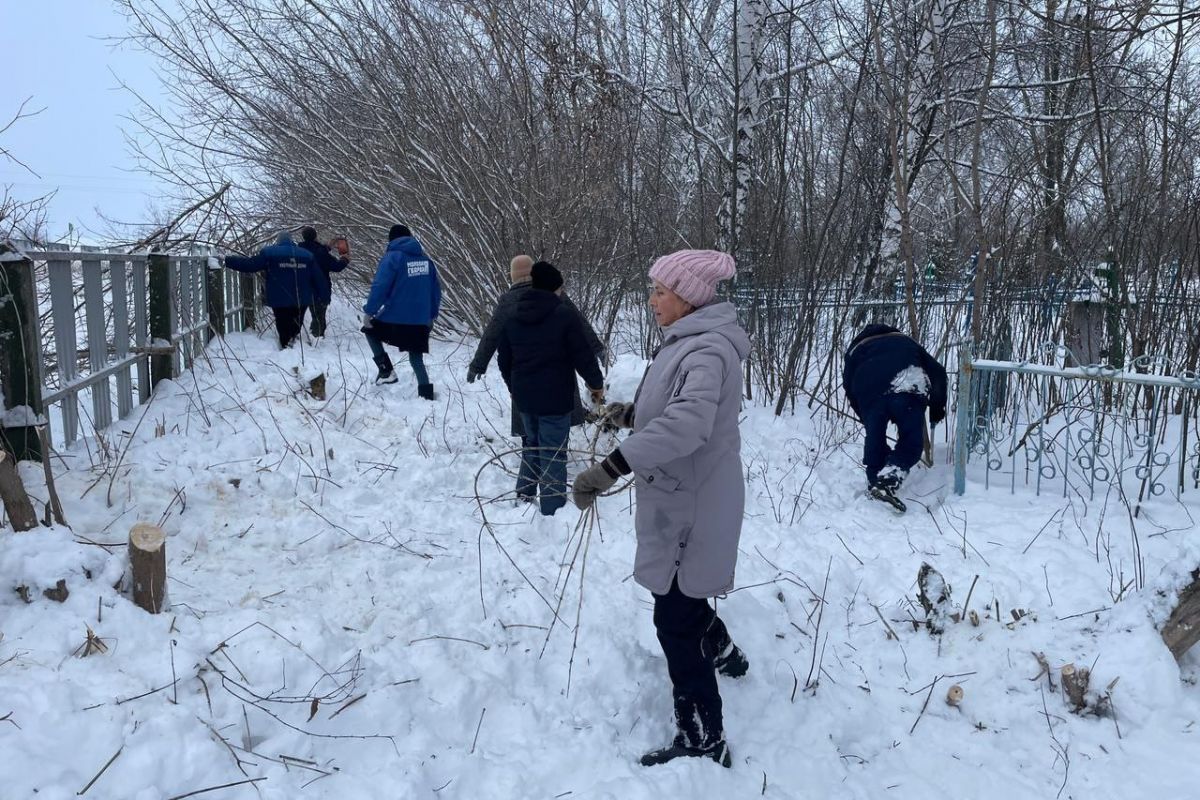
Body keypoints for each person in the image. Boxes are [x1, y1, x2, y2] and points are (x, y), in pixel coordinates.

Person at [571, 249, 750, 768]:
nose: (652, 301)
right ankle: (726, 654)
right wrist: (632, 414)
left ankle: (703, 739)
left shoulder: (706, 351)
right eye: (653, 290)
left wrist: (611, 467)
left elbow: (689, 425)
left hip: (694, 505)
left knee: (673, 618)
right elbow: (675, 410)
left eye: (660, 292)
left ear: (688, 298)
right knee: (683, 597)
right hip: (685, 496)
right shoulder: (689, 344)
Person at [498, 261, 604, 516]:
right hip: (555, 399)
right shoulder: (563, 315)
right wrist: (596, 384)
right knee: (553, 453)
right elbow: (583, 355)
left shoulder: (513, 316)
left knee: (532, 446)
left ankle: (524, 497)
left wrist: (514, 387)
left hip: (525, 398)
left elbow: (504, 359)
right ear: (555, 287)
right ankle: (552, 509)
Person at [467, 254, 607, 441]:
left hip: (523, 380)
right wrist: (597, 348)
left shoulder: (508, 302)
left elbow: (491, 335)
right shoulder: (552, 294)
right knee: (556, 437)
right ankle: (554, 459)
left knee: (530, 434)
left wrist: (478, 364)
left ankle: (533, 460)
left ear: (513, 276)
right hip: (559, 381)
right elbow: (580, 324)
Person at [841, 324, 948, 511]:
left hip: (868, 392)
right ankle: (889, 477)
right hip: (908, 386)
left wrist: (864, 415)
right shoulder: (906, 343)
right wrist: (937, 409)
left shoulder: (855, 350)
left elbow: (848, 386)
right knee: (912, 441)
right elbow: (938, 373)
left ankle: (876, 481)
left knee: (875, 439)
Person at [362, 224, 442, 399]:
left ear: (391, 239)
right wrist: (432, 314)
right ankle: (426, 394)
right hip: (420, 319)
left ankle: (386, 372)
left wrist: (370, 311)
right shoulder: (426, 261)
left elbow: (380, 286)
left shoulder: (392, 258)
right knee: (416, 357)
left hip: (396, 317)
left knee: (370, 331)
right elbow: (435, 290)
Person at [224, 232, 320, 348]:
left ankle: (286, 346)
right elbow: (317, 276)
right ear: (292, 241)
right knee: (296, 322)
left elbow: (250, 265)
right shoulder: (307, 255)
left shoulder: (270, 253)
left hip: (279, 296)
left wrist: (227, 260)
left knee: (282, 322)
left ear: (279, 241)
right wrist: (322, 295)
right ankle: (294, 342)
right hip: (302, 296)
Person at [298, 226, 349, 338]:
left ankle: (298, 340)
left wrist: (327, 247)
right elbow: (336, 266)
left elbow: (314, 253)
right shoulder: (321, 253)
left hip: (302, 289)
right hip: (320, 290)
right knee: (319, 317)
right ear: (315, 237)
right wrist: (345, 259)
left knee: (301, 317)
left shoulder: (298, 250)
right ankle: (317, 342)